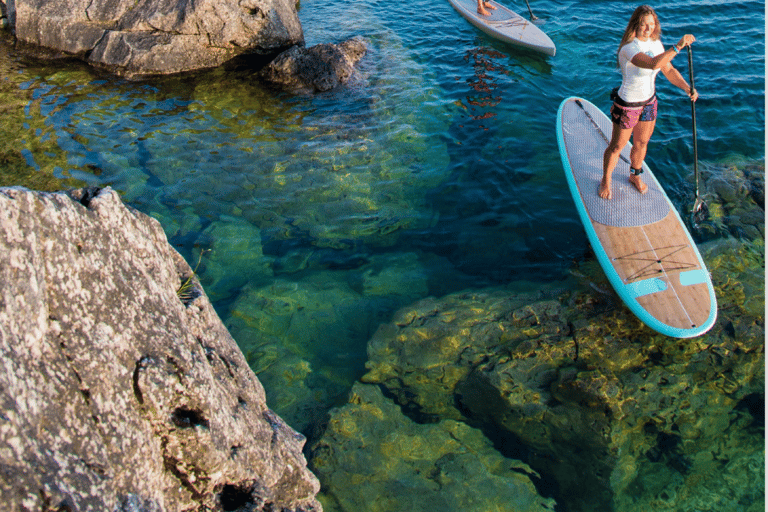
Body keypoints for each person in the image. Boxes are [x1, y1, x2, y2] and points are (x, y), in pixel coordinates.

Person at [599, 5, 698, 200]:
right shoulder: (629, 48)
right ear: (636, 24)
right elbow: (652, 64)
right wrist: (678, 46)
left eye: (652, 25)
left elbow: (668, 70)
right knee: (617, 147)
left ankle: (634, 176)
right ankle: (606, 179)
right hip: (627, 104)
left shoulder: (656, 44)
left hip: (649, 103)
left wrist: (687, 88)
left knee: (642, 143)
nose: (648, 29)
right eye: (644, 25)